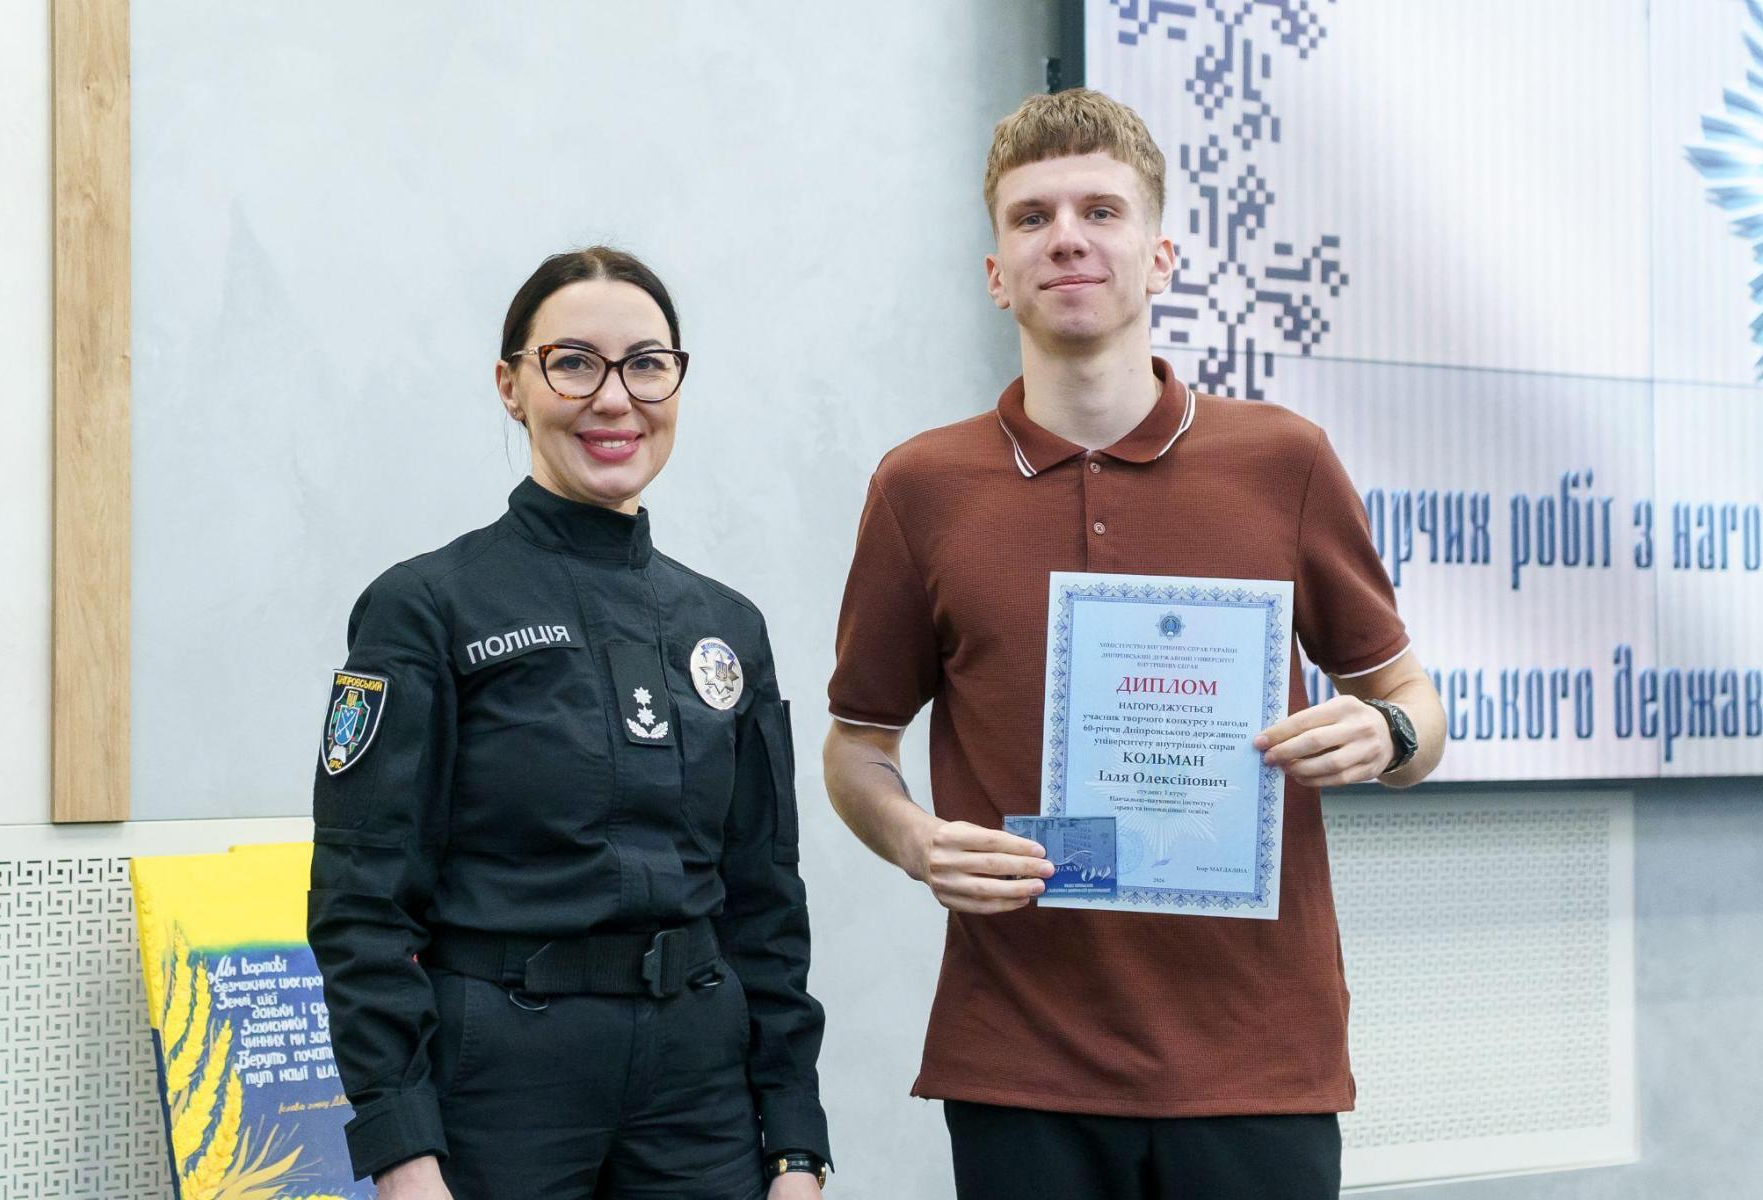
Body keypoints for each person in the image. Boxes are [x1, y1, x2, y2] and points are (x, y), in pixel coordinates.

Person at [822, 90, 1446, 1199]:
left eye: (1100, 211)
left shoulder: (1284, 461)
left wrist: (1388, 733)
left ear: (1159, 259)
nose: (1066, 236)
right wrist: (916, 842)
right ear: (996, 273)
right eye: (1032, 217)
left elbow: (1411, 702)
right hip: (1022, 1058)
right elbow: (856, 744)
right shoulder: (921, 486)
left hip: (1257, 1058)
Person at [308, 247, 830, 1200]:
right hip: (500, 1087)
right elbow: (361, 902)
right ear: (511, 386)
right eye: (574, 363)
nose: (615, 398)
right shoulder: (426, 608)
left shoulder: (728, 627)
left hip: (700, 1096)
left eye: (647, 364)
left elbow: (765, 899)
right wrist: (401, 1147)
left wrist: (795, 1140)